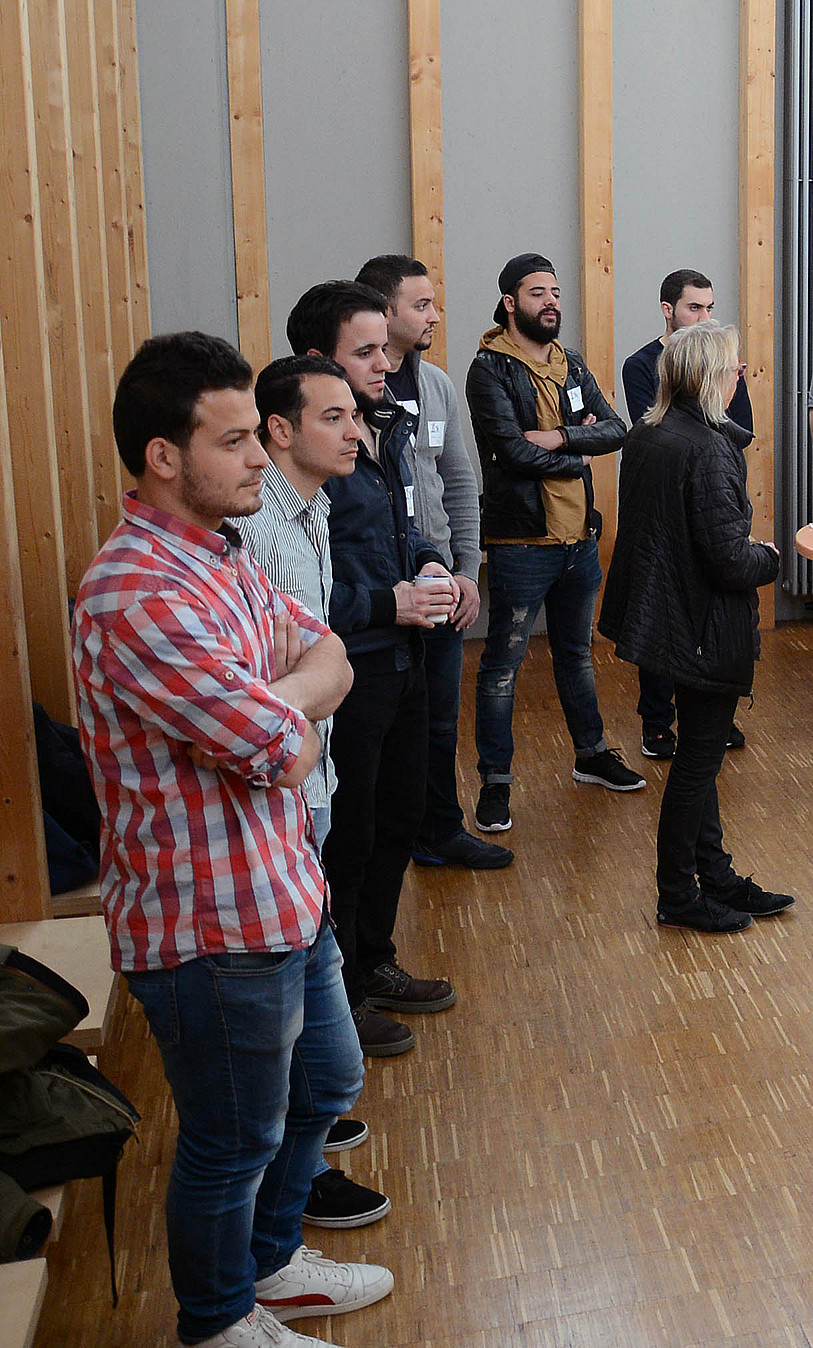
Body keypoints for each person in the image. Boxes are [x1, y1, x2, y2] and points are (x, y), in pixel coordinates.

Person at [77, 331, 389, 1348]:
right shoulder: (137, 592)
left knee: (327, 1083)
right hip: (208, 927)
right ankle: (216, 1321)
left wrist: (275, 697)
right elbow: (285, 751)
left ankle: (270, 1263)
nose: (261, 455)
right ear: (164, 456)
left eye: (258, 434)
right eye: (235, 440)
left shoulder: (220, 553)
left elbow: (331, 651)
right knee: (233, 1139)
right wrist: (290, 707)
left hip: (282, 889)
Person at [234, 354, 390, 1232]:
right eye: (335, 417)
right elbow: (270, 690)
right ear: (280, 430)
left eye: (353, 416)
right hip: (284, 776)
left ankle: (309, 1135)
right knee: (292, 1011)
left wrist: (315, 678)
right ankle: (298, 1180)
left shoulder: (314, 508)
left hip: (309, 771)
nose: (355, 433)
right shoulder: (257, 527)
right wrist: (311, 687)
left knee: (312, 1014)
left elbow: (321, 651)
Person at [288, 281, 459, 1060]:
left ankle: (375, 960)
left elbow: (405, 529)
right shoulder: (303, 459)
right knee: (348, 839)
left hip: (403, 659)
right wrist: (392, 601)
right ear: (317, 361)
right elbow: (304, 594)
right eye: (366, 352)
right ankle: (343, 994)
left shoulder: (380, 430)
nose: (386, 363)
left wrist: (433, 564)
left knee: (398, 820)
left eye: (385, 349)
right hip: (348, 676)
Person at [598, 322, 793, 932]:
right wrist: (772, 558)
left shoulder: (649, 432)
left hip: (667, 619)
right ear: (712, 376)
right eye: (734, 367)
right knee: (696, 766)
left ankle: (717, 876)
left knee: (697, 758)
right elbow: (729, 560)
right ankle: (678, 895)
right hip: (701, 626)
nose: (741, 376)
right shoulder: (708, 448)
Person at [467, 252, 642, 834]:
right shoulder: (489, 369)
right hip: (521, 542)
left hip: (578, 540)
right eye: (538, 293)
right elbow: (511, 453)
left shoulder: (571, 363)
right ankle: (495, 783)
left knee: (577, 655)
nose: (551, 303)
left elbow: (616, 430)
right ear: (510, 302)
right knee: (503, 666)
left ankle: (591, 755)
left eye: (556, 293)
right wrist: (578, 453)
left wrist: (561, 436)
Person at [354, 254, 510, 872]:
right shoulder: (349, 397)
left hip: (441, 580)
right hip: (379, 594)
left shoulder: (439, 385)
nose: (435, 317)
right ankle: (382, 843)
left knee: (440, 720)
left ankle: (439, 829)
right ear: (383, 310)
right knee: (380, 732)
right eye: (421, 305)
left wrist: (466, 570)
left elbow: (459, 482)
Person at [621, 268, 758, 760]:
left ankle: (709, 713)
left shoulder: (724, 362)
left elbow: (740, 427)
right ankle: (658, 721)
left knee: (709, 619)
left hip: (714, 488)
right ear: (668, 310)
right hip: (670, 504)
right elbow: (665, 424)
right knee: (664, 614)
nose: (704, 317)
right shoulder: (642, 365)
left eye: (709, 307)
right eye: (694, 308)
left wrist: (728, 382)